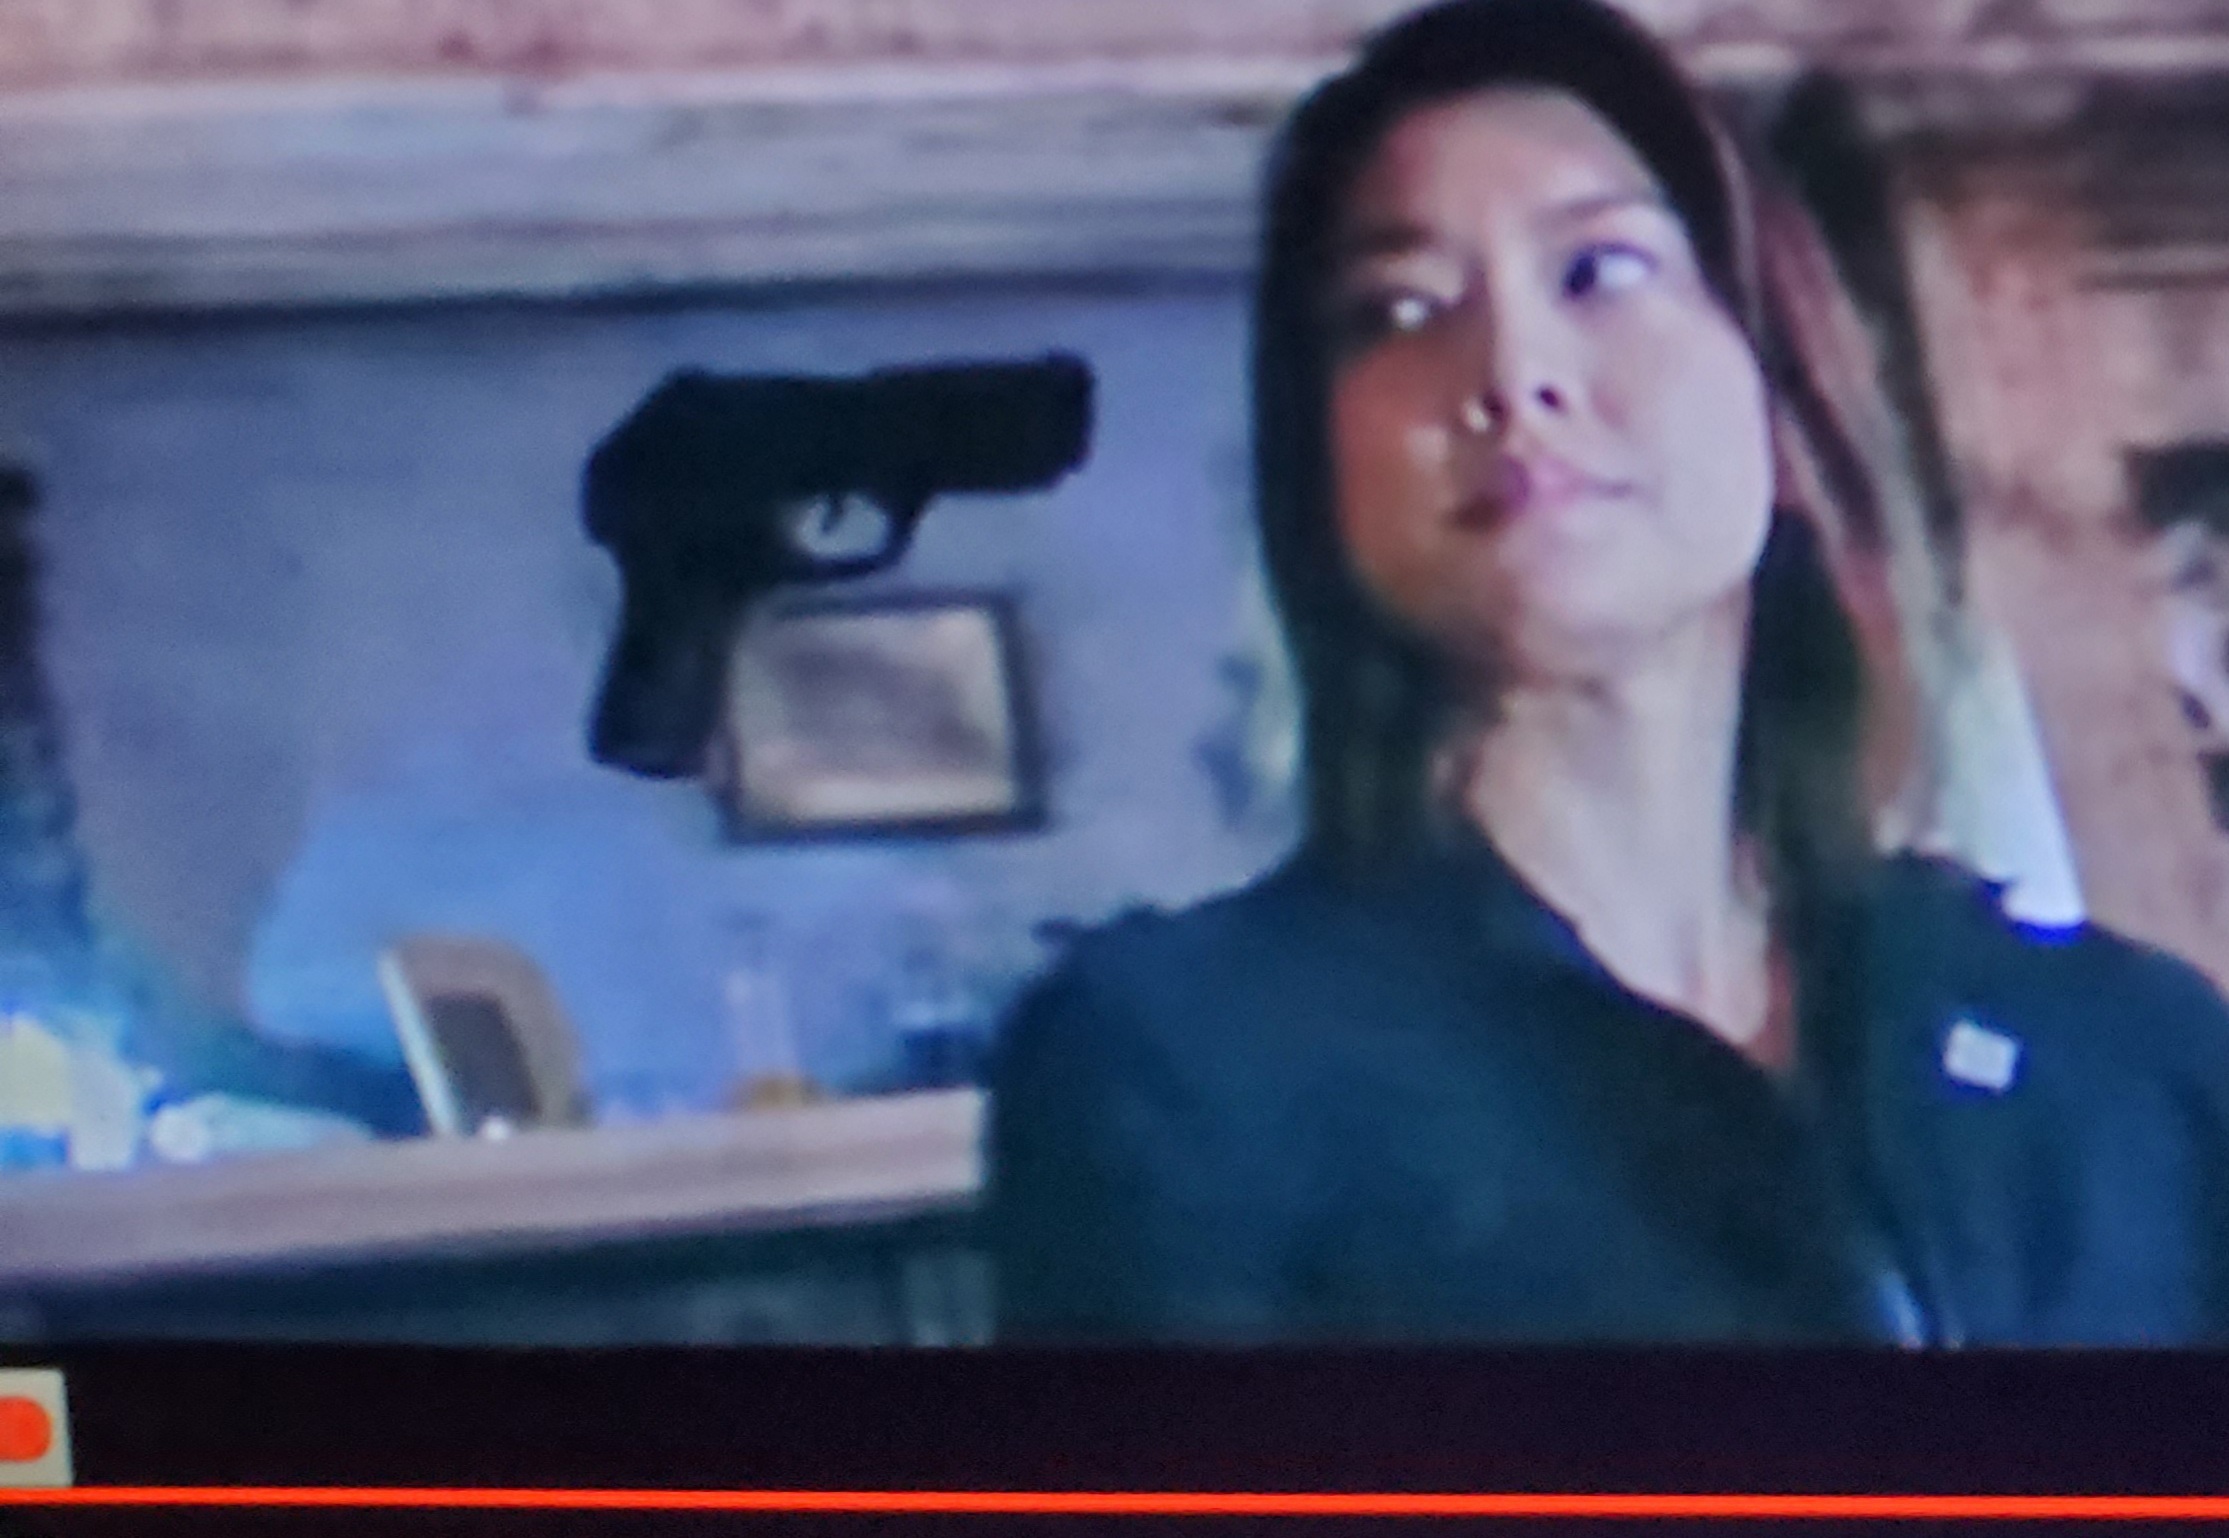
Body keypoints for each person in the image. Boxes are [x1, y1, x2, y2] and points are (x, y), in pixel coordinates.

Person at [986, 0, 2229, 1345]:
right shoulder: (1182, 1067)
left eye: (1600, 271)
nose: (1514, 374)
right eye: (1398, 309)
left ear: (1778, 390)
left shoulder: (2133, 1051)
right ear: (1323, 479)